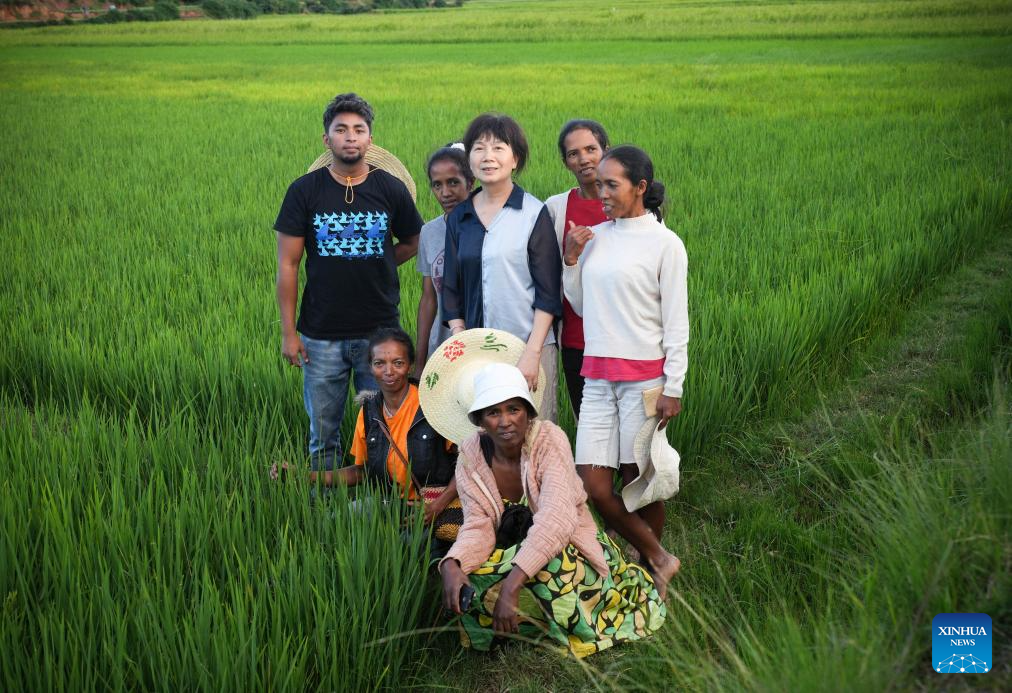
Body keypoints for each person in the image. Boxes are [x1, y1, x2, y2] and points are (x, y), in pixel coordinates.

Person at [435, 362, 665, 657]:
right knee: (471, 575)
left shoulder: (549, 440)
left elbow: (556, 520)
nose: (505, 422)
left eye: (514, 409)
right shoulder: (471, 454)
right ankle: (526, 621)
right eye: (493, 412)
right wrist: (452, 565)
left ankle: (569, 618)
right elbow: (477, 524)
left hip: (568, 546)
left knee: (550, 568)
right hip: (513, 547)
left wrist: (511, 586)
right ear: (480, 420)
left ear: (528, 412)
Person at [274, 93, 423, 475]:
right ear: (327, 140)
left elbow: (413, 240)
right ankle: (320, 495)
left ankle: (378, 491)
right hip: (320, 334)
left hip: (379, 332)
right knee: (323, 428)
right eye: (341, 129)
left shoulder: (390, 189)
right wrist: (289, 333)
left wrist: (379, 261)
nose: (350, 136)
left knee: (382, 423)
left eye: (359, 129)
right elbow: (288, 264)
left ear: (370, 139)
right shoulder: (304, 191)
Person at [562, 145, 687, 598]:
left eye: (611, 185)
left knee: (640, 481)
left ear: (640, 187)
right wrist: (571, 260)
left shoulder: (665, 244)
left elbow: (676, 322)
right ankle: (660, 556)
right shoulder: (594, 237)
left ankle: (649, 568)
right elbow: (580, 305)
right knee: (593, 484)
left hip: (644, 381)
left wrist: (674, 386)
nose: (602, 193)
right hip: (597, 378)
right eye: (599, 185)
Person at [271, 329, 458, 547]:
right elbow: (362, 471)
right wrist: (305, 476)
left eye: (398, 363)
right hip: (391, 502)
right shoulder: (369, 412)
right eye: (379, 363)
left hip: (433, 506)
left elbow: (466, 464)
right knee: (331, 524)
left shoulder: (432, 406)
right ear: (370, 367)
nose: (389, 371)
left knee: (403, 547)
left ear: (410, 365)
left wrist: (438, 505)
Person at [441, 113, 563, 423]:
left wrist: (533, 353)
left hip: (528, 345)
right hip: (476, 353)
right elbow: (451, 287)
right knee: (483, 436)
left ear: (515, 159)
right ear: (469, 158)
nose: (488, 156)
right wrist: (461, 341)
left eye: (498, 148)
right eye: (479, 148)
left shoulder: (533, 213)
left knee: (535, 434)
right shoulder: (460, 217)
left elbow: (548, 292)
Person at [543, 119, 611, 420]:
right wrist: (569, 254)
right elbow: (543, 273)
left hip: (625, 341)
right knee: (589, 428)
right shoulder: (555, 208)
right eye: (574, 153)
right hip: (577, 339)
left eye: (591, 149)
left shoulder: (634, 206)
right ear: (565, 162)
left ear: (605, 150)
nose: (583, 159)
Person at [415, 144, 475, 375]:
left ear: (470, 182)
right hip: (441, 350)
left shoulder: (488, 228)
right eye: (437, 185)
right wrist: (420, 362)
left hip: (482, 346)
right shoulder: (429, 232)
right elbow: (428, 299)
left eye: (453, 182)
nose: (445, 193)